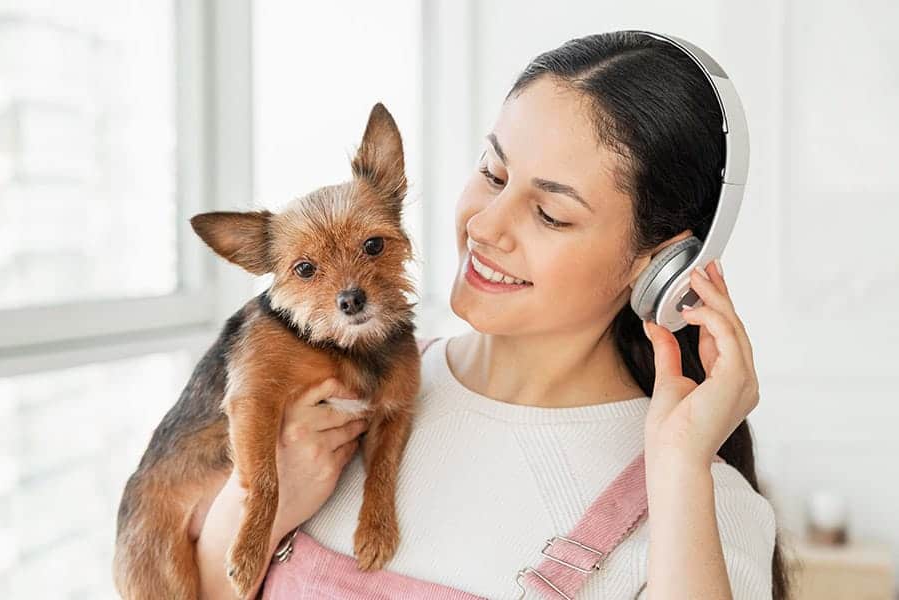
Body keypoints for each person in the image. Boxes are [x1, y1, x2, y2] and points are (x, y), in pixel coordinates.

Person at [194, 31, 790, 599]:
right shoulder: (330, 402)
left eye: (550, 213)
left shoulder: (701, 504)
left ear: (658, 262)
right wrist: (260, 506)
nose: (484, 224)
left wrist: (683, 470)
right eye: (492, 173)